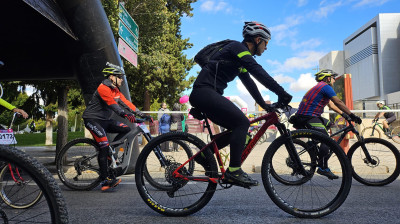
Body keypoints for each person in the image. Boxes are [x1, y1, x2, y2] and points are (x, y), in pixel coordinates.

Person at [189, 21, 292, 187]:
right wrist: (283, 93)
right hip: (204, 92)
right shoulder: (238, 48)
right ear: (258, 39)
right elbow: (259, 73)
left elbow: (250, 84)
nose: (266, 48)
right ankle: (234, 170)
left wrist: (264, 106)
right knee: (242, 123)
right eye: (266, 43)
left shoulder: (239, 60)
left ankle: (204, 155)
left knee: (242, 131)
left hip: (206, 94)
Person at [82, 63, 150, 191]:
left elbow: (126, 103)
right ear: (112, 77)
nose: (122, 79)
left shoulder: (115, 90)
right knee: (103, 145)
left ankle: (110, 149)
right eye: (120, 77)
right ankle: (105, 179)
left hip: (104, 120)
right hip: (92, 119)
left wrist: (141, 114)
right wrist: (126, 115)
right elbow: (113, 105)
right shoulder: (103, 88)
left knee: (126, 129)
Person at [290, 69, 362, 179]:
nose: (334, 80)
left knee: (330, 124)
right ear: (328, 78)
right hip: (309, 117)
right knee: (327, 140)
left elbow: (332, 106)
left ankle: (313, 146)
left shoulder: (319, 88)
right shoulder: (325, 87)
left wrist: (345, 115)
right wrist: (352, 115)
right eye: (333, 78)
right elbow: (338, 102)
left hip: (309, 116)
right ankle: (323, 167)